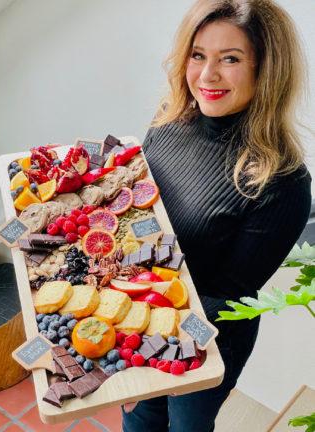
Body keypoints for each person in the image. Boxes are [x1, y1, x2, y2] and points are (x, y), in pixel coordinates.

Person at [122, 0, 312, 431]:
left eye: (230, 59)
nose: (207, 76)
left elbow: (226, 297)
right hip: (140, 308)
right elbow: (142, 208)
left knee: (188, 423)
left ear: (267, 69)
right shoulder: (168, 119)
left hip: (208, 338)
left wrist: (140, 356)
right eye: (198, 54)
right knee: (139, 422)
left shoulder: (282, 181)